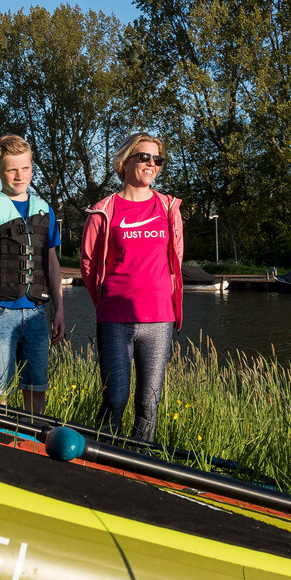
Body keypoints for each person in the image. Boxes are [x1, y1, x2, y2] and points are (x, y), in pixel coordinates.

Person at [81, 133, 182, 443]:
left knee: (148, 403)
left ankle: (140, 461)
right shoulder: (105, 209)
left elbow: (176, 257)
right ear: (124, 163)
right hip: (115, 317)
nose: (151, 164)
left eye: (157, 160)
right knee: (115, 398)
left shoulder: (168, 207)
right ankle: (102, 457)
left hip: (159, 318)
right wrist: (108, 300)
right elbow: (88, 264)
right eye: (144, 157)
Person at [0, 134, 66, 412]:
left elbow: (52, 263)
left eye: (26, 168)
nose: (20, 176)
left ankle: (31, 448)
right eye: (11, 169)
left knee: (36, 389)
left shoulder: (45, 210)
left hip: (35, 314)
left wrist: (59, 310)